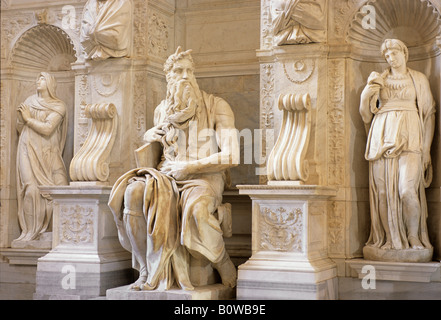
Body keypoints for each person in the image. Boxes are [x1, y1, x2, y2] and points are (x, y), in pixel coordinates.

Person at [108, 47, 239, 291]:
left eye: (190, 70)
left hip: (203, 178)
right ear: (168, 77)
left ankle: (223, 262)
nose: (186, 76)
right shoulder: (162, 110)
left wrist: (189, 168)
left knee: (196, 210)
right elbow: (156, 154)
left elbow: (232, 154)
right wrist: (149, 136)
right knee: (132, 193)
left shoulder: (216, 105)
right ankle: (147, 269)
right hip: (165, 176)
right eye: (179, 71)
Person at [360, 39, 436, 255]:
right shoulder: (378, 79)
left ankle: (412, 235)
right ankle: (387, 240)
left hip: (411, 138)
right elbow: (366, 114)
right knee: (383, 193)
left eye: (394, 53)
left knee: (406, 191)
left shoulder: (419, 79)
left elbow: (429, 114)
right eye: (387, 56)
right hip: (381, 138)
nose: (390, 58)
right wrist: (368, 90)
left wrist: (427, 150)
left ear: (405, 54)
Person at [15, 72, 68, 242]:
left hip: (48, 153)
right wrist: (21, 120)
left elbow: (47, 128)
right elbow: (19, 127)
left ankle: (55, 233)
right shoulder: (30, 101)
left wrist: (28, 119)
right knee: (30, 189)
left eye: (42, 78)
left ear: (51, 83)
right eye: (37, 78)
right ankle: (30, 233)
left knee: (58, 190)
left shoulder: (59, 106)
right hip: (27, 148)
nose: (38, 81)